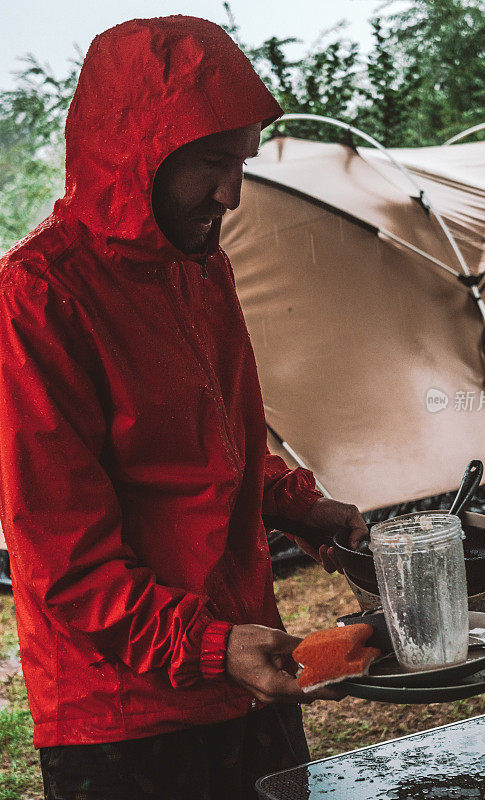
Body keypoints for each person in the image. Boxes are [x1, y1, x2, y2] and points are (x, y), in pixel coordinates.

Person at [0, 16, 368, 800]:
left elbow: (219, 448)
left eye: (240, 163)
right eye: (209, 162)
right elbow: (63, 561)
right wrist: (207, 646)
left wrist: (303, 506)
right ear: (137, 153)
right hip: (125, 718)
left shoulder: (200, 271)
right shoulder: (40, 298)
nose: (231, 195)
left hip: (244, 668)